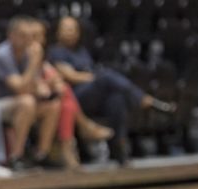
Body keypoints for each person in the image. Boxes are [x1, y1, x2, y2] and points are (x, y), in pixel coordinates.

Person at [48, 16, 175, 164]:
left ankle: (118, 146)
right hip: (73, 98)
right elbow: (70, 76)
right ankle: (144, 99)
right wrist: (96, 78)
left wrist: (95, 77)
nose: (70, 32)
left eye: (73, 29)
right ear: (58, 32)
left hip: (93, 94)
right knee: (106, 76)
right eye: (66, 29)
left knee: (116, 98)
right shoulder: (55, 51)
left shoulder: (82, 51)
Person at [0, 16, 61, 170]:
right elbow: (20, 88)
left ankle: (41, 154)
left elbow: (34, 85)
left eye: (31, 36)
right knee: (27, 102)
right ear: (11, 35)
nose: (28, 40)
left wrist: (46, 86)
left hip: (10, 102)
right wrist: (34, 63)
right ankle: (16, 156)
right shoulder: (1, 55)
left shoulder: (26, 54)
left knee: (53, 106)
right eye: (23, 36)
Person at [28, 19, 112, 169]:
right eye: (35, 36)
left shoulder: (42, 57)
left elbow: (51, 78)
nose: (40, 40)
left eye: (41, 36)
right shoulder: (18, 54)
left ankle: (51, 152)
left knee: (66, 103)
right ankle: (83, 129)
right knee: (64, 95)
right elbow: (24, 85)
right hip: (21, 102)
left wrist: (54, 83)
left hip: (42, 101)